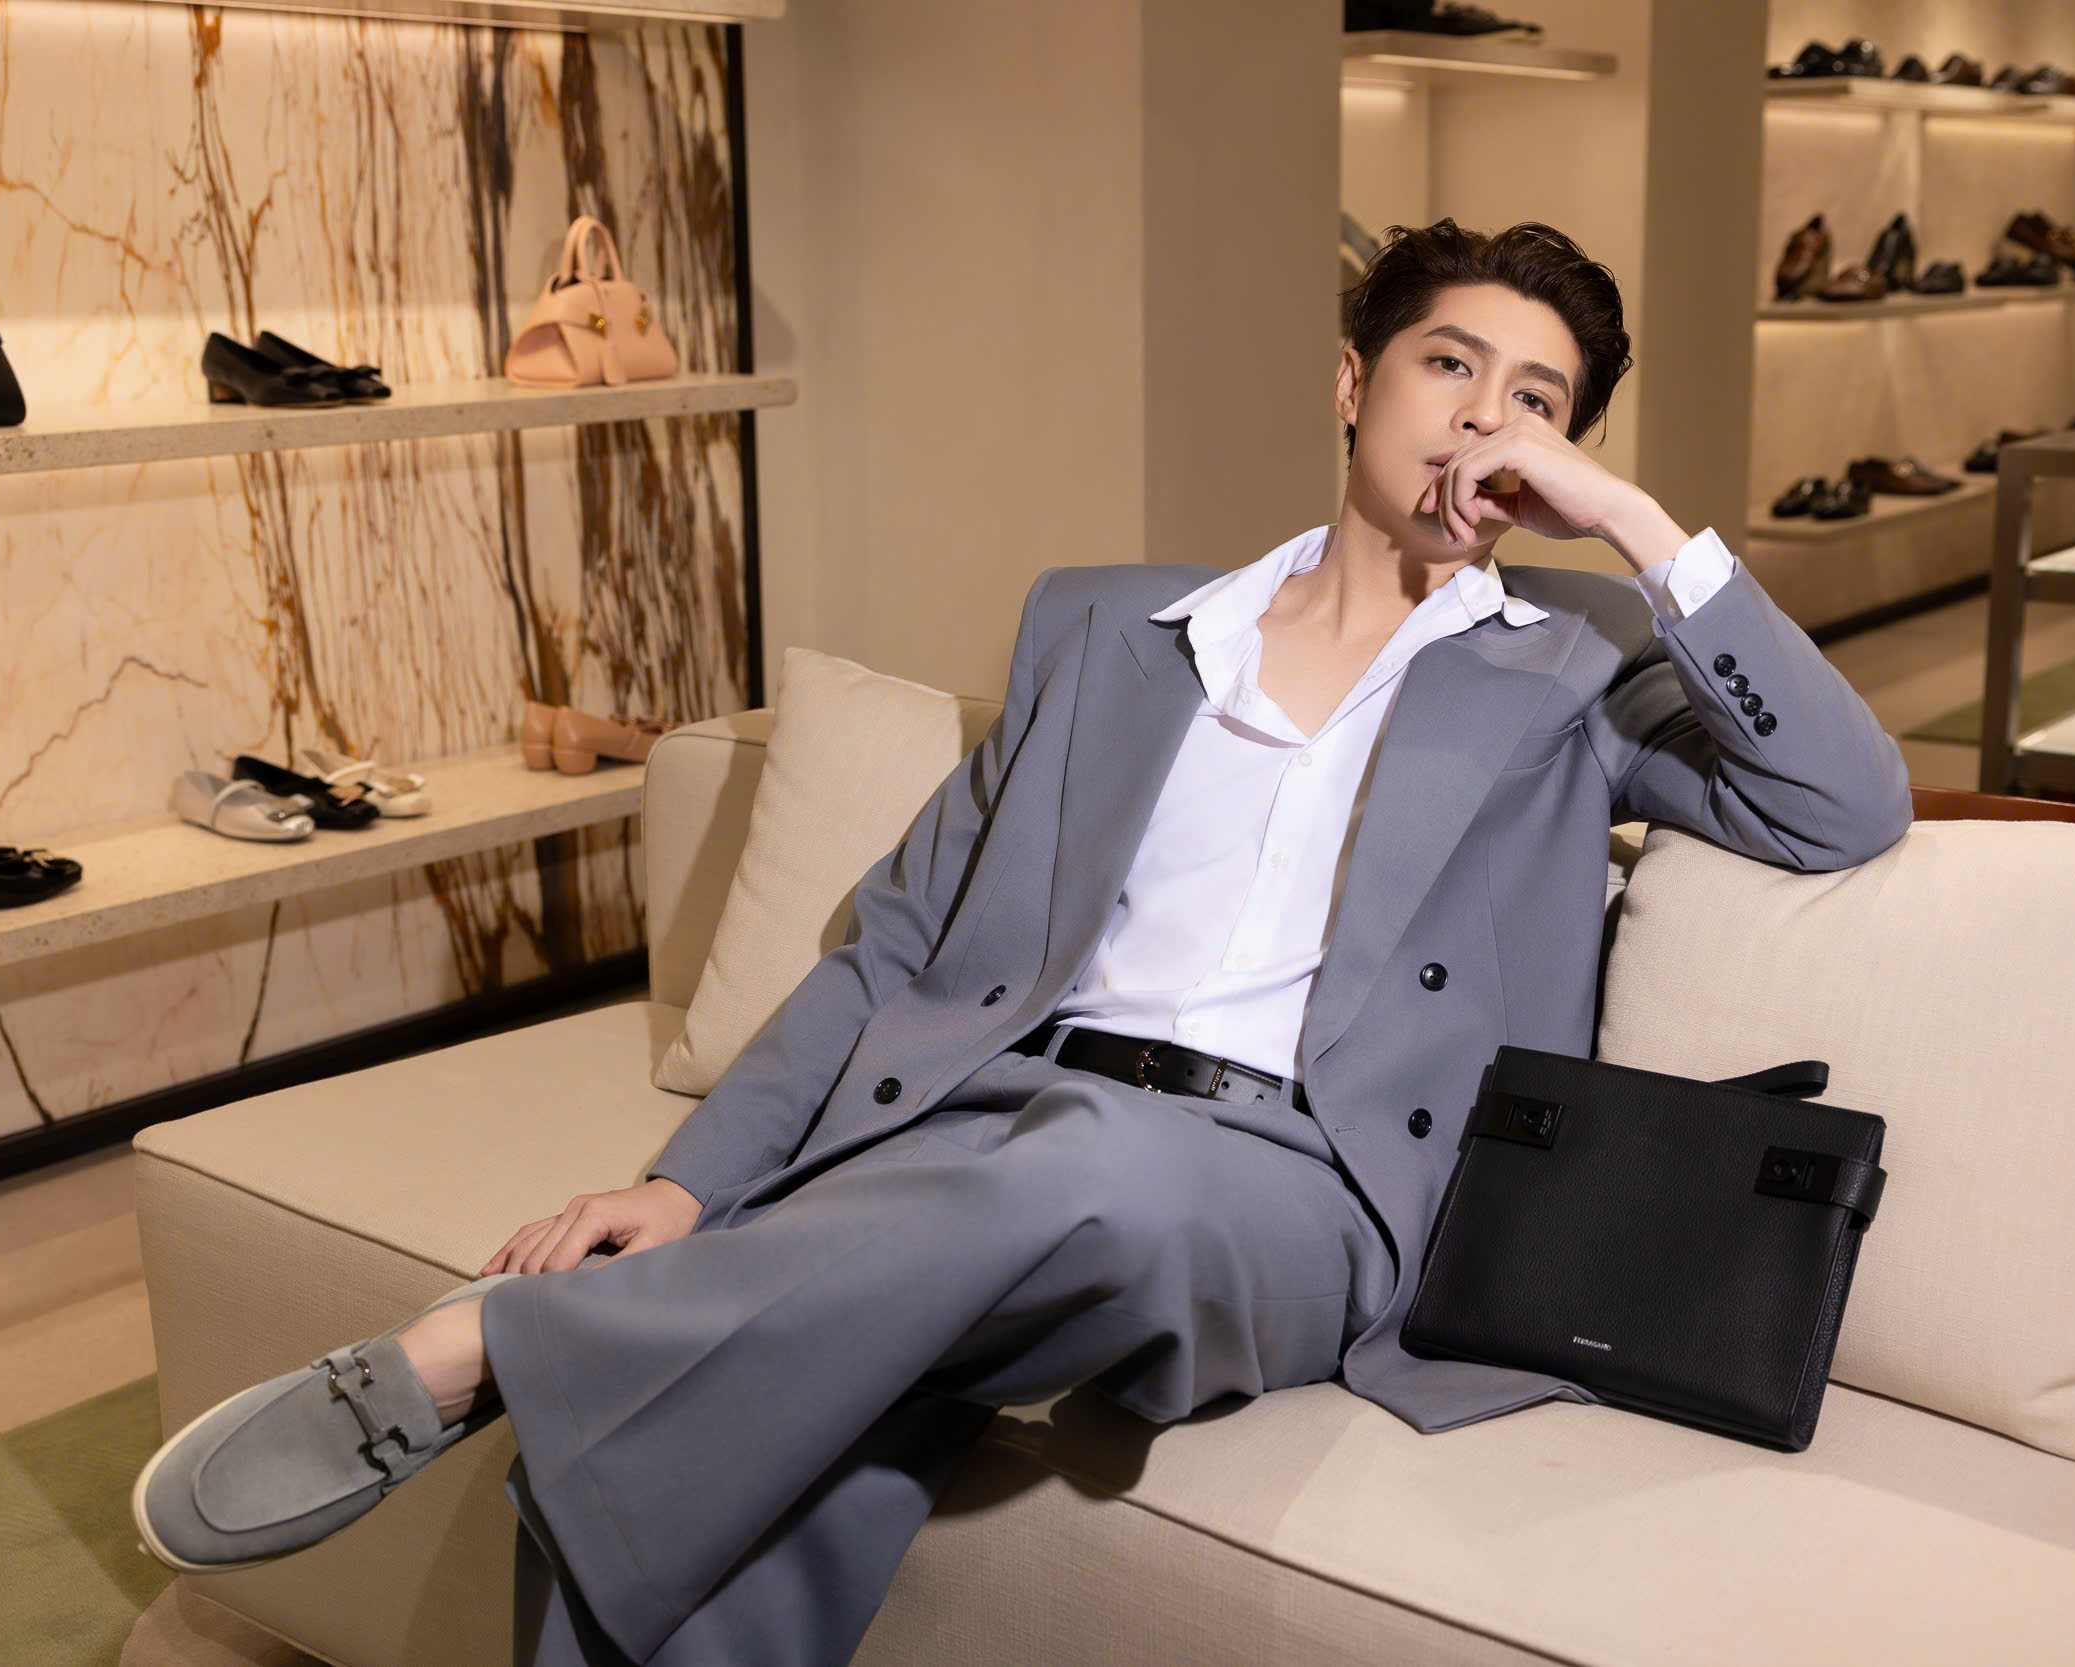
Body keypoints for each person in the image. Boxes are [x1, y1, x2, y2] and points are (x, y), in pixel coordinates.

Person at [131, 219, 1913, 1665]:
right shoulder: (1112, 632)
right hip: (985, 1126)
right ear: (1353, 380)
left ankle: (496, 1351)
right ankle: (641, 1355)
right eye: (1451, 366)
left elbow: (1843, 804)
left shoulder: (1578, 668)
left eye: (1540, 401)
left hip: (1293, 1195)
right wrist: (687, 1186)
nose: (1485, 424)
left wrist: (1635, 528)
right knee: (775, 1446)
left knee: (1094, 1179)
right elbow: (899, 945)